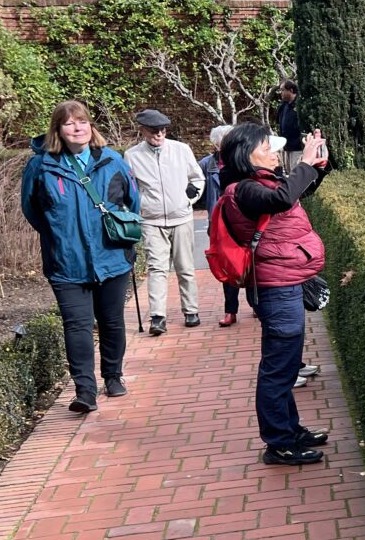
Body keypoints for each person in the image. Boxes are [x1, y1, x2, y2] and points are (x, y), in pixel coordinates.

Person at [218, 122, 332, 466]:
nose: (273, 153)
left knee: (285, 366)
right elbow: (282, 199)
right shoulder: (244, 189)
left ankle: (290, 430)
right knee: (278, 370)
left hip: (285, 283)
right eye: (266, 148)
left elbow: (294, 193)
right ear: (245, 154)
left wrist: (319, 164)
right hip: (276, 288)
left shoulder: (262, 183)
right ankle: (279, 443)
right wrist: (305, 163)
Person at [20, 100, 139, 414]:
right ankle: (85, 391)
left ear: (91, 126)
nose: (77, 128)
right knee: (77, 326)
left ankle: (113, 375)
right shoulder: (41, 165)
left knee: (112, 321)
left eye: (82, 121)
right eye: (69, 123)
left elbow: (132, 202)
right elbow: (32, 210)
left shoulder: (112, 160)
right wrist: (60, 235)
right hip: (66, 262)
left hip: (112, 257)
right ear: (58, 129)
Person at [125, 109, 205, 335]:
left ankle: (191, 311)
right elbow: (130, 188)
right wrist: (139, 207)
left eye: (162, 130)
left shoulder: (181, 149)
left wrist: (189, 198)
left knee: (185, 267)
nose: (159, 134)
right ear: (143, 130)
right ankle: (157, 317)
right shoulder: (132, 155)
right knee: (156, 268)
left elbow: (197, 178)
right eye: (153, 131)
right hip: (152, 220)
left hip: (181, 218)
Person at [199, 125, 241, 327]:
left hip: (243, 218)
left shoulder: (243, 160)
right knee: (227, 265)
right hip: (218, 221)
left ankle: (257, 304)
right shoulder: (206, 164)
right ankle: (230, 311)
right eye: (224, 140)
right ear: (216, 144)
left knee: (252, 261)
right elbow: (195, 184)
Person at [277, 82, 303, 173]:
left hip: (297, 148)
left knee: (296, 173)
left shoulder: (300, 105)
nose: (281, 93)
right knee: (288, 173)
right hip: (287, 147)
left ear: (291, 90)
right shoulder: (284, 106)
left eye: (283, 90)